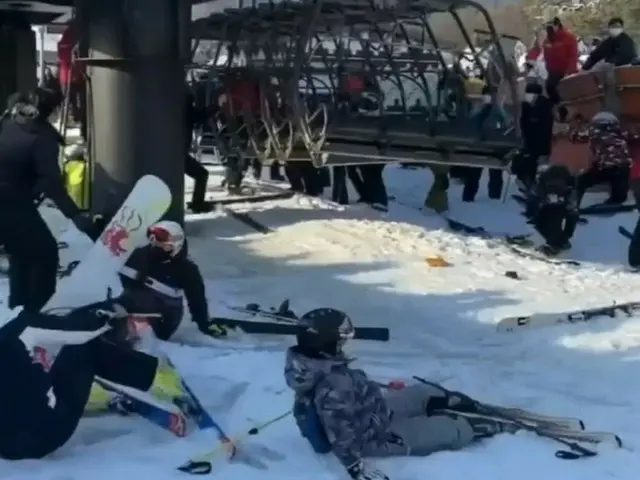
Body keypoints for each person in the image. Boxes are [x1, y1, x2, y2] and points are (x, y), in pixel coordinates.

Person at [284, 308, 519, 480]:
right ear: (327, 343)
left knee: (426, 393)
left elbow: (348, 387)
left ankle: (458, 404)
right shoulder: (333, 387)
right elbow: (340, 433)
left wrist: (374, 387)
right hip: (372, 436)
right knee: (446, 429)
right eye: (342, 338)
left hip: (373, 410)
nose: (346, 342)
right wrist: (356, 468)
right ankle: (473, 426)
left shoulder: (313, 364)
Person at [0, 300, 184, 459]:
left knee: (33, 373)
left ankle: (98, 394)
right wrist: (107, 312)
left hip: (5, 447)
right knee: (84, 348)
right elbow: (83, 330)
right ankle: (159, 379)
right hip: (45, 436)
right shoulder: (24, 327)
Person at [0, 89, 96, 312]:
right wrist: (76, 215)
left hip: (10, 200)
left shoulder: (9, 120)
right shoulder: (41, 138)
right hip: (12, 202)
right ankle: (39, 312)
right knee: (45, 254)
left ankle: (19, 306)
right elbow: (51, 182)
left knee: (22, 251)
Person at [117, 220, 217, 340]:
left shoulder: (186, 269)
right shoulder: (139, 255)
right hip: (135, 306)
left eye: (160, 236)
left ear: (175, 242)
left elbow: (197, 299)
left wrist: (204, 324)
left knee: (134, 299)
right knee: (128, 298)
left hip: (165, 318)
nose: (153, 239)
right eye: (151, 235)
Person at [575, 111, 638, 206]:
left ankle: (575, 207)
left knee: (581, 182)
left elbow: (578, 137)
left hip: (605, 167)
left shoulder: (594, 132)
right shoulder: (622, 132)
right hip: (623, 168)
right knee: (619, 198)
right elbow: (634, 138)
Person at [524, 164, 579, 255]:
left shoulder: (569, 188)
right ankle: (556, 243)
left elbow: (532, 199)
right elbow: (533, 199)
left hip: (557, 209)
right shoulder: (543, 184)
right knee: (546, 222)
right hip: (548, 207)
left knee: (552, 221)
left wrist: (566, 235)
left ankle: (556, 244)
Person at [531, 18, 578, 120]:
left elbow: (573, 56)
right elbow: (547, 55)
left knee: (566, 91)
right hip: (553, 71)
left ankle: (571, 111)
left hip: (567, 70)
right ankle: (561, 109)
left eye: (551, 25)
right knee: (550, 87)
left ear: (557, 25)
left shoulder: (569, 38)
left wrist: (569, 71)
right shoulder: (548, 40)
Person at [513, 83, 554, 190]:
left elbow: (544, 126)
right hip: (531, 141)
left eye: (530, 93)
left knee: (532, 164)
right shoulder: (527, 105)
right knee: (526, 163)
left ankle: (530, 184)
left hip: (540, 143)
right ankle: (527, 183)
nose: (528, 96)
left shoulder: (544, 106)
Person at [184, 91, 210, 212]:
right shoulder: (186, 109)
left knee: (201, 174)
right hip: (179, 154)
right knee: (201, 174)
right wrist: (215, 107)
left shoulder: (175, 108)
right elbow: (200, 115)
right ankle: (197, 204)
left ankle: (197, 204)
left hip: (176, 153)